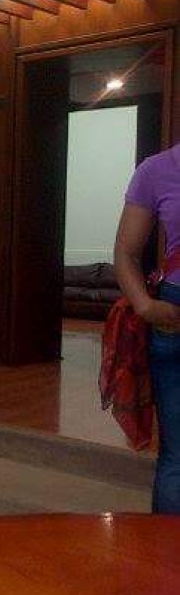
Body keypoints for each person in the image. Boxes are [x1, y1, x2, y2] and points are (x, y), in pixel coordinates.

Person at [114, 142, 180, 513]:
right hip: (173, 316)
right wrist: (144, 305)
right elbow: (126, 252)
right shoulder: (156, 169)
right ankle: (165, 547)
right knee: (177, 454)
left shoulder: (158, 168)